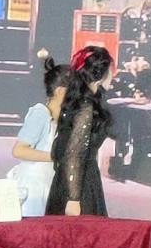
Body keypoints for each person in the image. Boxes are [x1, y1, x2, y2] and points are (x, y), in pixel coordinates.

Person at [45, 46, 114, 217]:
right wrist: (74, 198)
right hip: (80, 184)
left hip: (68, 179)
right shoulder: (85, 107)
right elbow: (74, 152)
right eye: (111, 70)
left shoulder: (78, 102)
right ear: (100, 75)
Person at [6, 49, 70, 216]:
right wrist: (56, 156)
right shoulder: (40, 113)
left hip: (51, 183)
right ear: (60, 91)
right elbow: (19, 150)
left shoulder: (62, 119)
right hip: (34, 188)